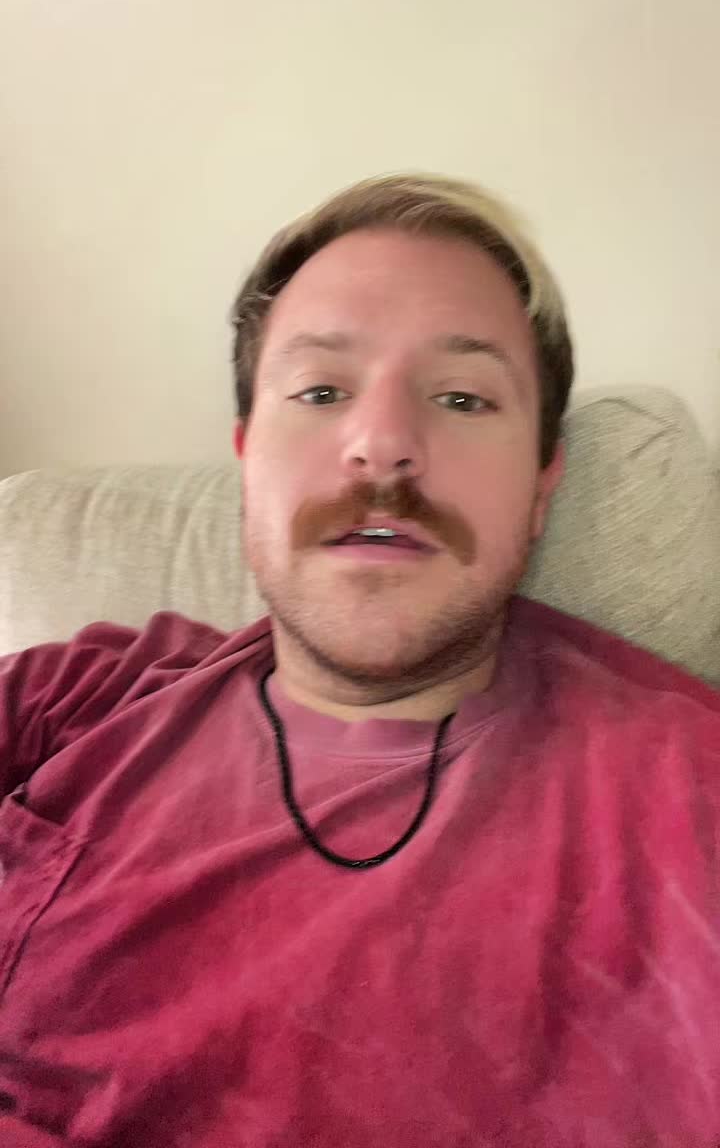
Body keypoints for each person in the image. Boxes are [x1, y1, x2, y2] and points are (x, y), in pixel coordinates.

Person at [1, 173, 719, 1148]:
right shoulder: (76, 697)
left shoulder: (691, 790)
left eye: (462, 396)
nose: (382, 444)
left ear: (542, 485)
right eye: (321, 391)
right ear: (248, 457)